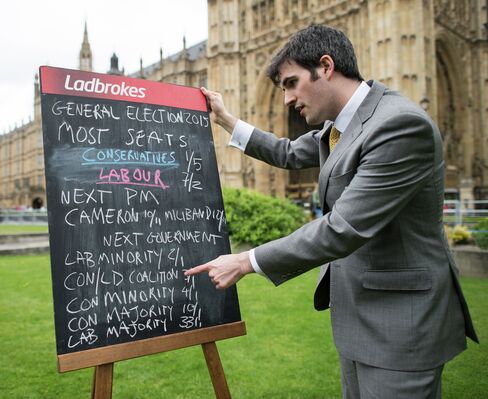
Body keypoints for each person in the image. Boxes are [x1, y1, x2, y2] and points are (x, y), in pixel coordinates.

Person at [185, 24, 477, 398]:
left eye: (291, 83)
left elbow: (342, 228)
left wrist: (246, 261)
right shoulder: (340, 128)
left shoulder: (398, 125)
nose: (287, 99)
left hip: (402, 327)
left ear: (325, 66)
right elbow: (287, 152)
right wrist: (226, 119)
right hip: (361, 320)